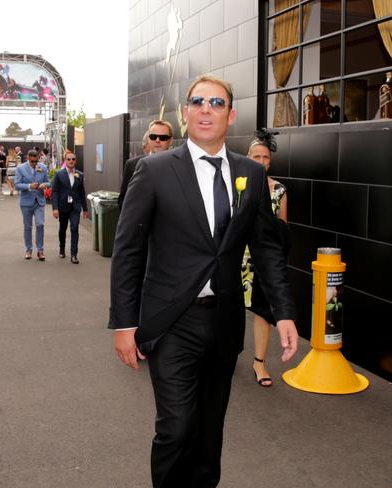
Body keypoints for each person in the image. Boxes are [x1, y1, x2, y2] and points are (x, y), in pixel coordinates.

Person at [109, 74, 298, 488]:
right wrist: (123, 323)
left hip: (224, 321)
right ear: (185, 113)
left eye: (216, 103)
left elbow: (266, 249)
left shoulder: (250, 173)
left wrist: (283, 312)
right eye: (197, 101)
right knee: (176, 427)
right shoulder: (154, 170)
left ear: (230, 116)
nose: (206, 109)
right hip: (171, 321)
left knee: (210, 431)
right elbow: (128, 251)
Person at [241, 129, 288, 387]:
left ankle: (259, 362)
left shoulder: (279, 190)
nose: (261, 161)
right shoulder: (234, 184)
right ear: (247, 158)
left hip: (262, 259)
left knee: (262, 310)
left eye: (265, 157)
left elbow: (283, 227)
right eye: (256, 156)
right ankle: (226, 353)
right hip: (236, 256)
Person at [118, 120, 174, 209]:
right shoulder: (132, 165)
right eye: (153, 137)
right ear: (148, 138)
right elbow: (123, 200)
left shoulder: (178, 165)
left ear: (170, 141)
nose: (157, 140)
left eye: (163, 137)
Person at [51, 151, 89, 263]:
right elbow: (55, 192)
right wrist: (55, 208)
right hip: (62, 207)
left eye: (73, 159)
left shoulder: (80, 175)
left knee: (74, 228)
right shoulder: (59, 175)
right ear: (65, 161)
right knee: (62, 229)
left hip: (75, 207)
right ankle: (62, 248)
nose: (71, 161)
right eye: (68, 159)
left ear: (75, 161)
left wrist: (85, 209)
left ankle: (74, 254)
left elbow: (82, 192)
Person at [14, 149, 49, 260]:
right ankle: (28, 250)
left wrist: (45, 184)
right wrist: (29, 186)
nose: (34, 164)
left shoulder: (43, 167)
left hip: (39, 201)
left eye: (36, 161)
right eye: (32, 161)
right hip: (26, 202)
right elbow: (17, 185)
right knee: (27, 227)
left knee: (40, 225)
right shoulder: (20, 168)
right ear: (28, 158)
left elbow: (49, 182)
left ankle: (40, 250)